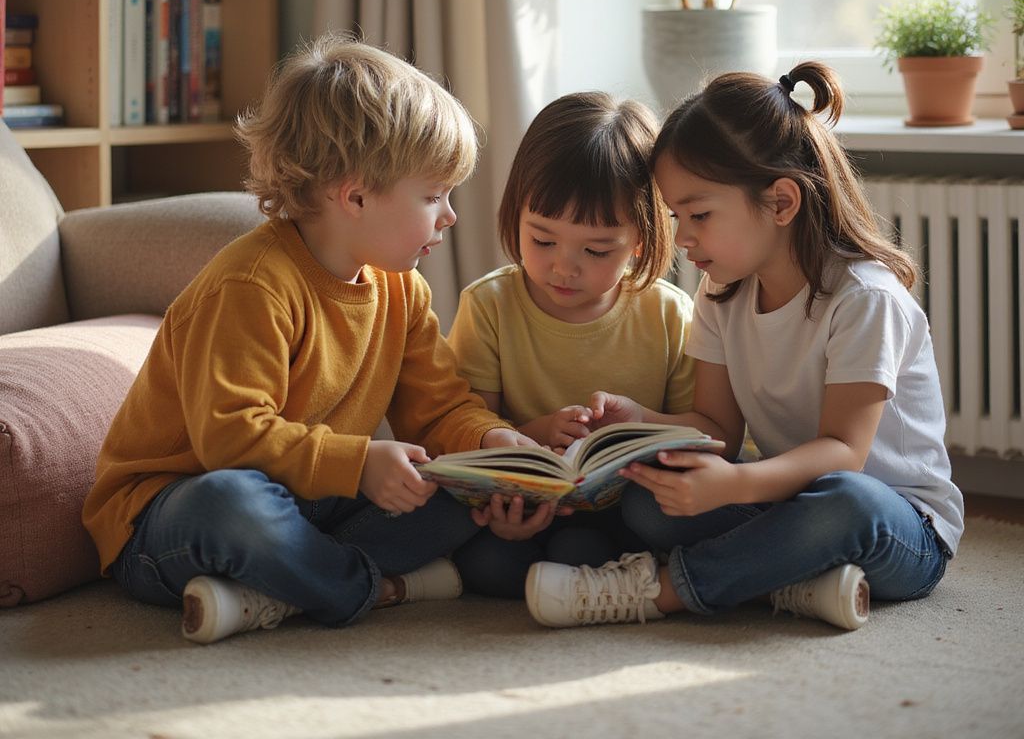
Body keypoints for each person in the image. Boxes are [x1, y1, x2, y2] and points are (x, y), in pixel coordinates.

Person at [82, 34, 531, 645]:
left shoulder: (403, 290)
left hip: (311, 502)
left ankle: (282, 590)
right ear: (354, 196)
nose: (449, 216)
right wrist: (359, 463)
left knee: (458, 487)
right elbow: (230, 439)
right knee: (232, 503)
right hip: (170, 515)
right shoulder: (253, 284)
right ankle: (372, 586)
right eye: (433, 196)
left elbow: (440, 408)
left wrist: (492, 444)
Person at [525, 63, 963, 631]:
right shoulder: (722, 294)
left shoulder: (863, 298)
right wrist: (642, 423)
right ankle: (791, 583)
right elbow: (718, 429)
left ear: (781, 203)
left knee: (848, 498)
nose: (682, 237)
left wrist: (735, 483)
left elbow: (842, 453)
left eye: (699, 214)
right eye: (676, 216)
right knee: (649, 500)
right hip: (787, 504)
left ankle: (658, 592)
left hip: (897, 527)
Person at [446, 91, 696, 598]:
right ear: (515, 215)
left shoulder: (669, 313)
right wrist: (540, 434)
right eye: (542, 240)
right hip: (525, 505)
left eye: (597, 250)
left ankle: (598, 576)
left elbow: (701, 433)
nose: (564, 266)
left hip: (631, 504)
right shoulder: (489, 306)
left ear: (642, 241)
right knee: (488, 561)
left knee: (605, 541)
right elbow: (465, 429)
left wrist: (637, 425)